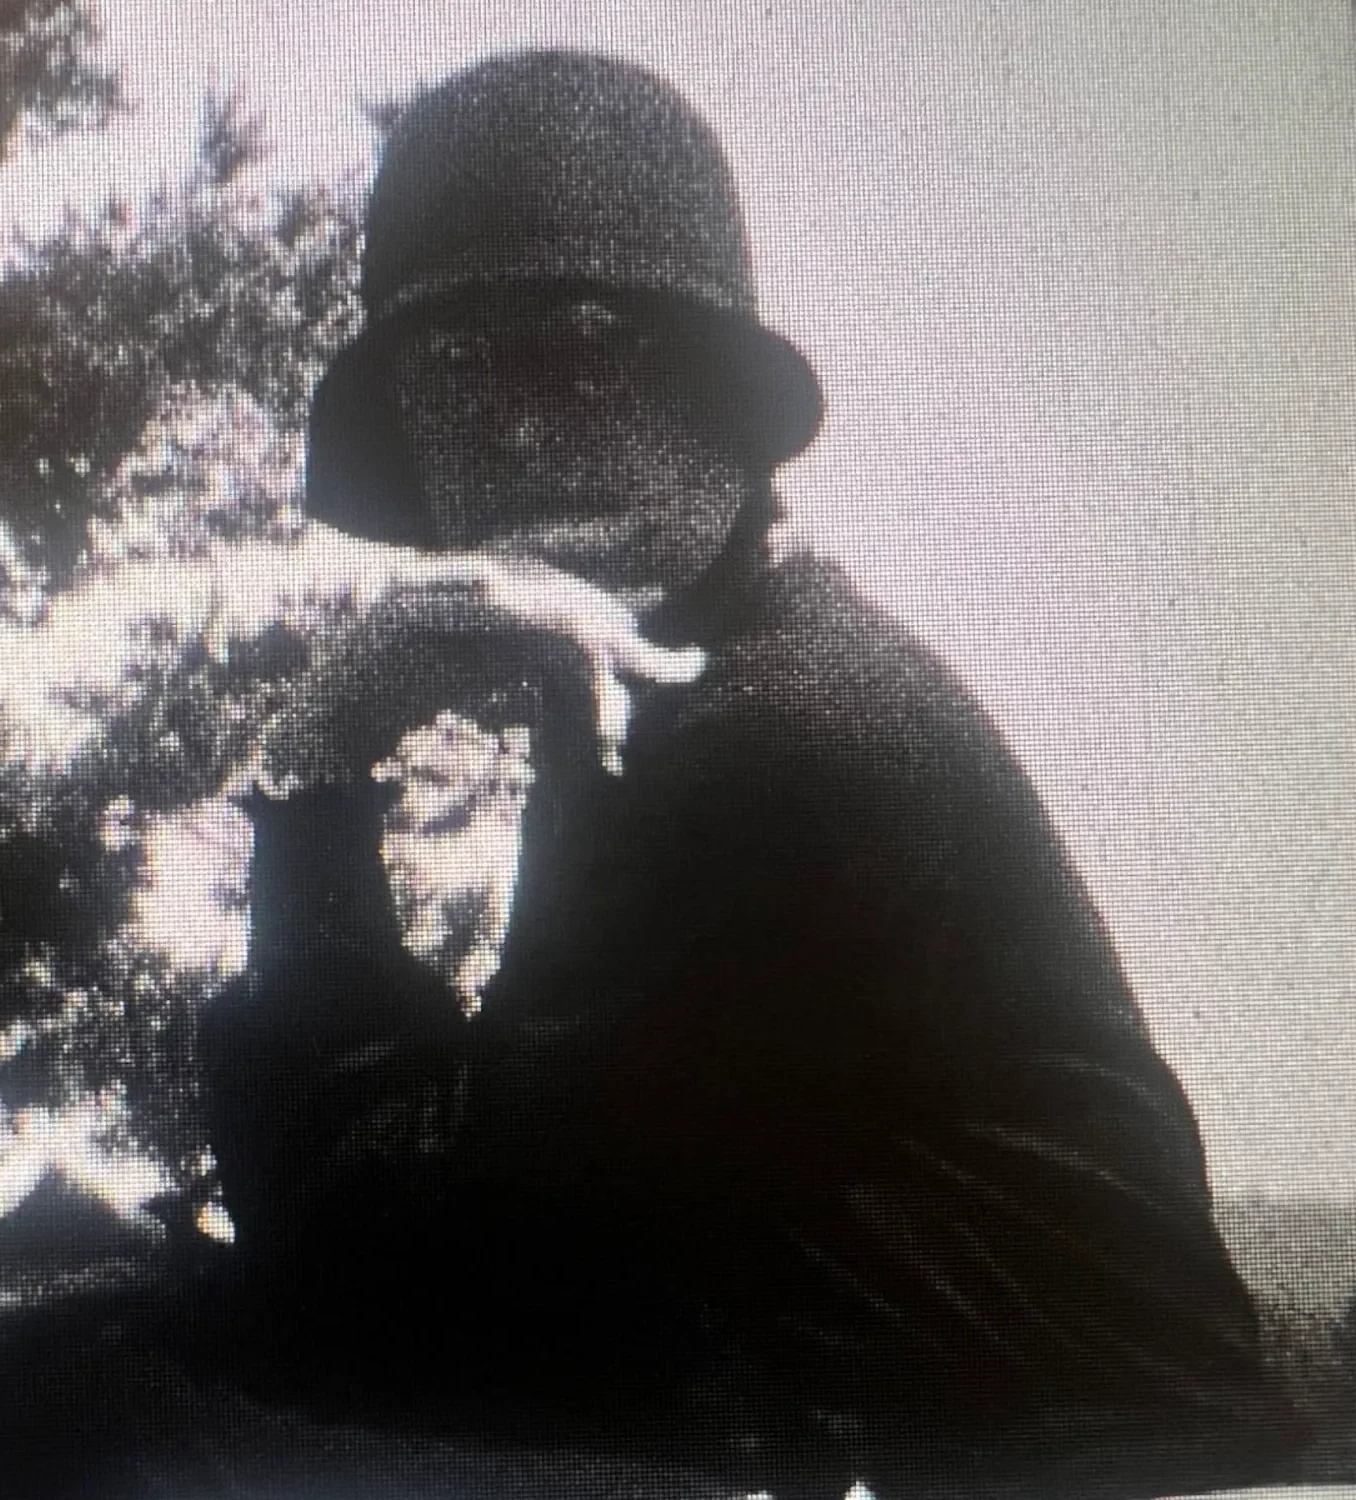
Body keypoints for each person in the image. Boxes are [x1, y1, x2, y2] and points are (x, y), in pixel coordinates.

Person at [197, 48, 1290, 1498]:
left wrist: (319, 766)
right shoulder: (683, 687)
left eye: (591, 356)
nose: (518, 429)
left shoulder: (769, 738)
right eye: (455, 374)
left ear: (714, 402)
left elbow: (383, 1279)